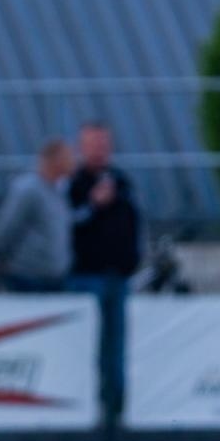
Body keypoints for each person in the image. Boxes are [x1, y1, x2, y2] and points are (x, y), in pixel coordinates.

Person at [66, 122, 140, 413]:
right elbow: (66, 225)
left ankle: (115, 408)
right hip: (85, 278)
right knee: (87, 347)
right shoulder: (73, 184)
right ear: (81, 148)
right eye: (93, 144)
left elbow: (135, 223)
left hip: (118, 278)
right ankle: (87, 407)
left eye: (103, 144)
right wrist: (93, 205)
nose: (99, 151)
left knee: (116, 347)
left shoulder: (122, 182)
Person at [0, 138, 74, 292]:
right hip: (28, 278)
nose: (74, 162)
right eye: (69, 157)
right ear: (54, 160)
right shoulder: (28, 189)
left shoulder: (58, 190)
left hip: (55, 278)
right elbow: (6, 229)